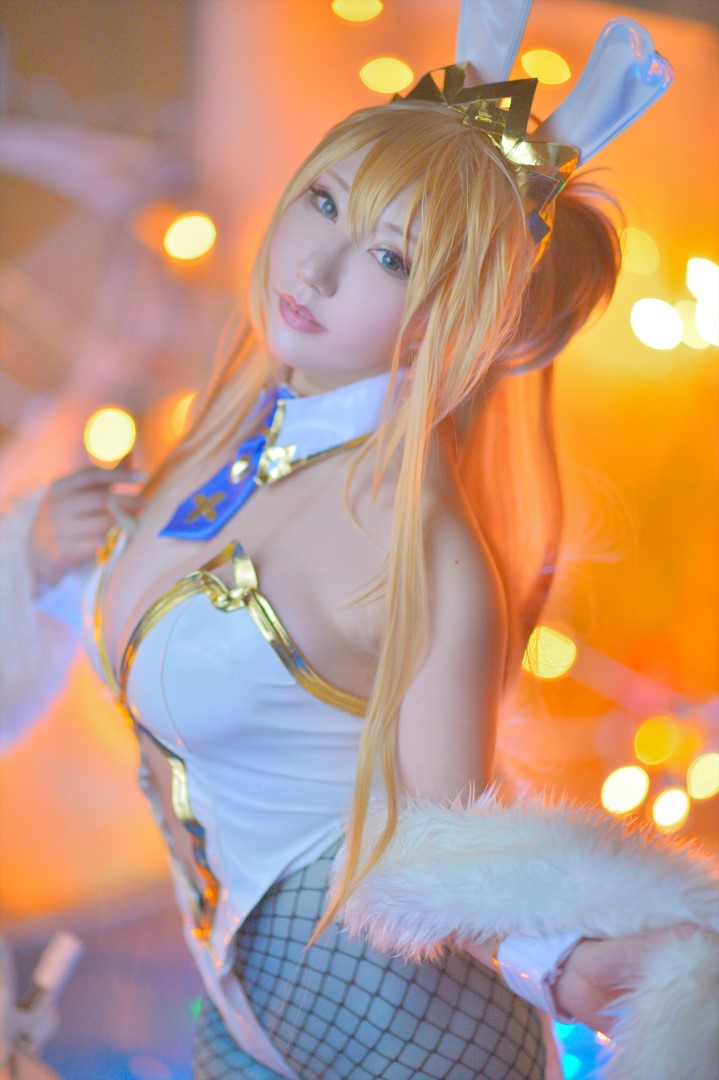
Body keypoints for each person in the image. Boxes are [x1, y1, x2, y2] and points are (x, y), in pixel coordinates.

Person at [2, 9, 717, 1080]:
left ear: (449, 315)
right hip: (244, 1009)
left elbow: (448, 846)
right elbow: (163, 619)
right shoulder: (236, 433)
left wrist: (569, 958)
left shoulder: (415, 546)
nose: (319, 265)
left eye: (390, 256)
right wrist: (42, 554)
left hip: (400, 1029)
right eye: (325, 200)